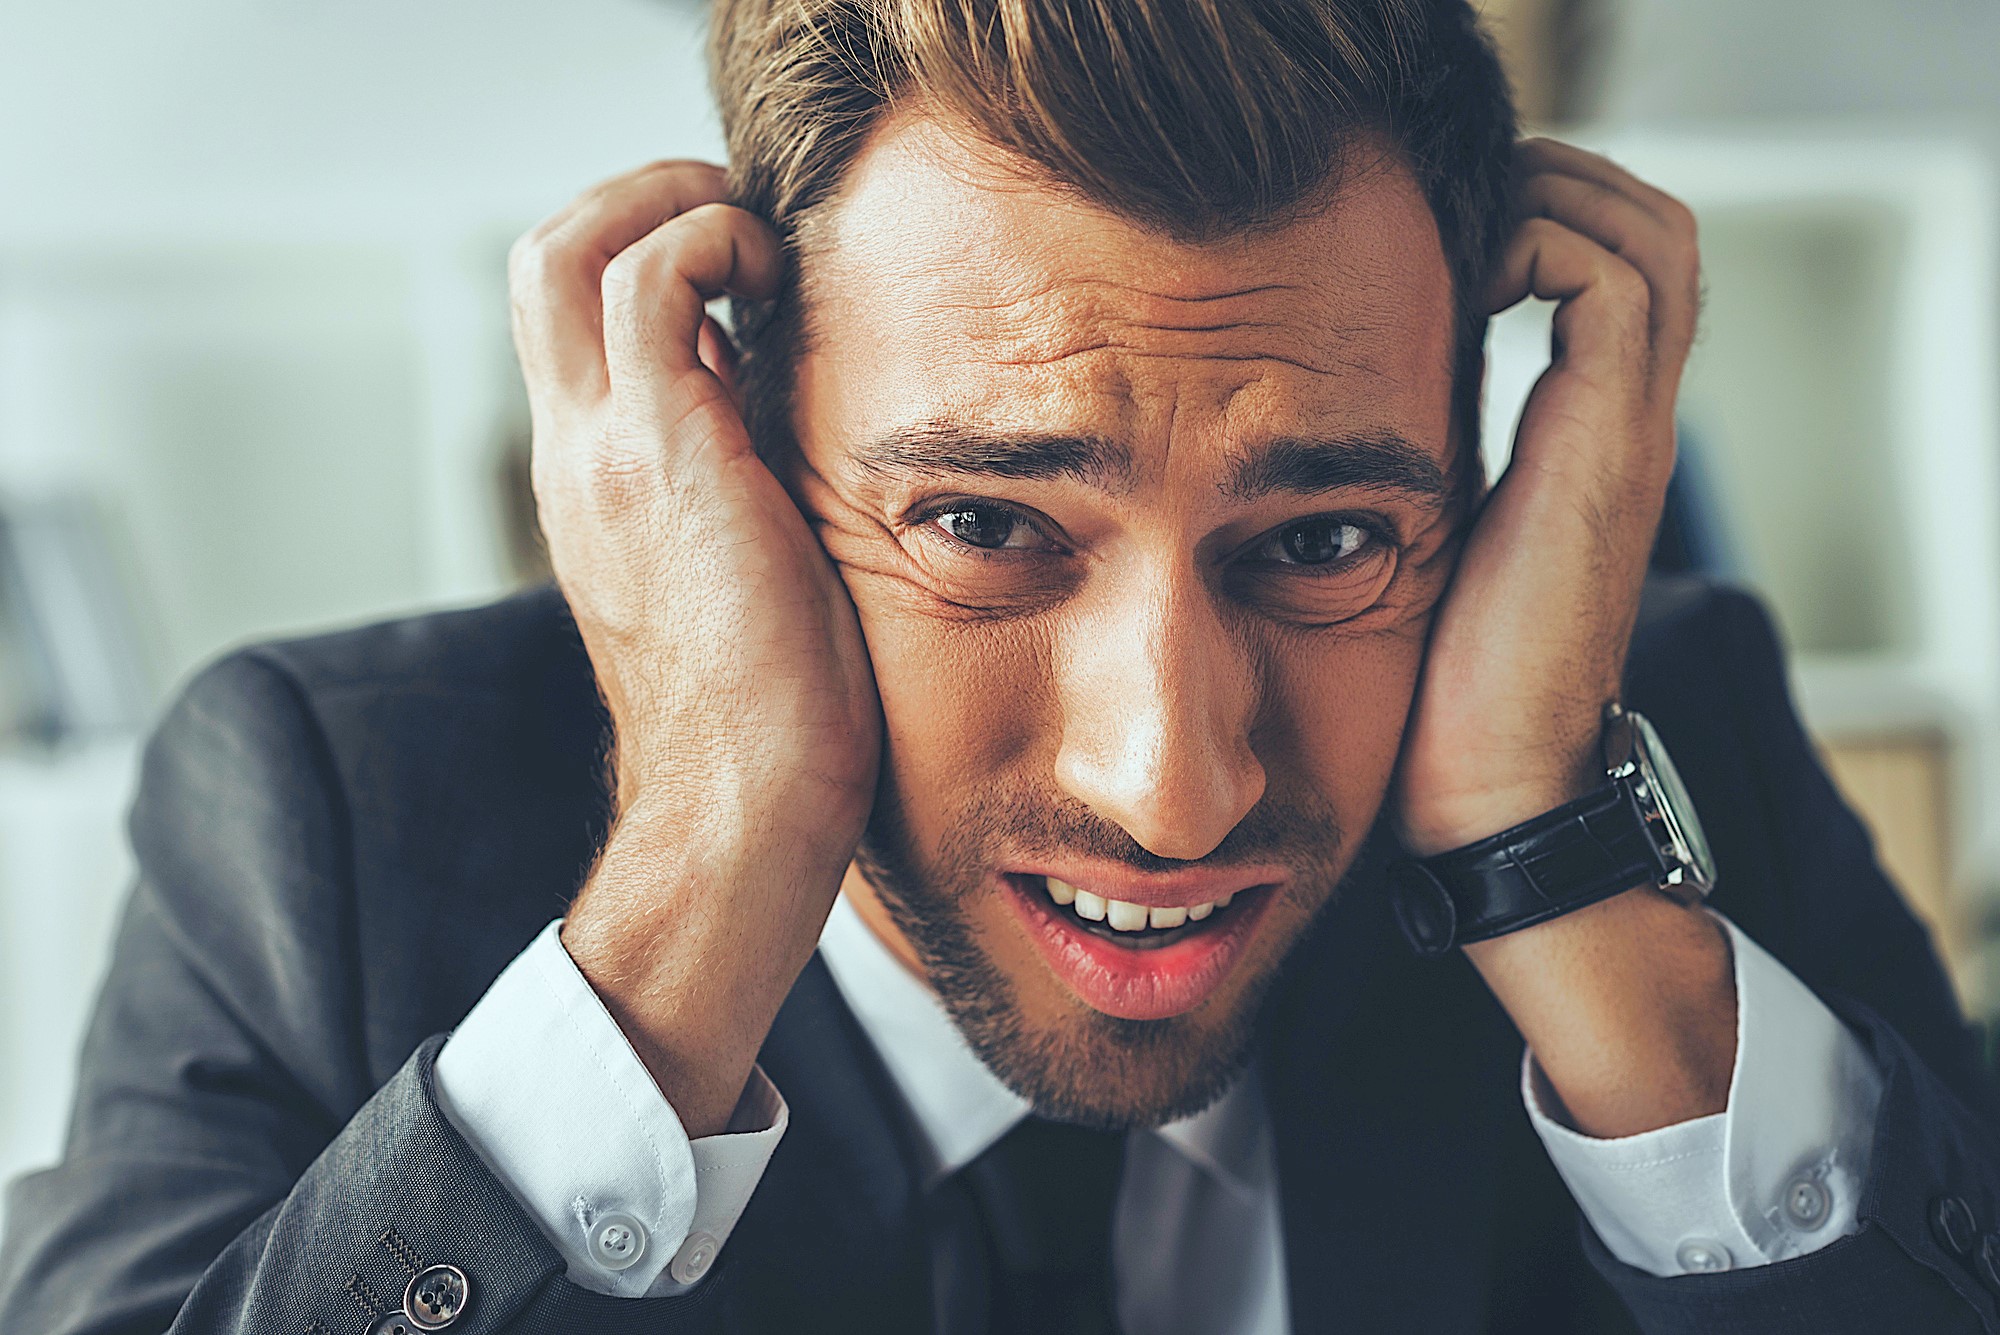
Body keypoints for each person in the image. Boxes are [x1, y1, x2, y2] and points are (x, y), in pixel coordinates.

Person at [2, 0, 1996, 1330]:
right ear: (745, 450)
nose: (1173, 783)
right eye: (983, 521)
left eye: (1321, 538)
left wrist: (1541, 868)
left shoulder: (1658, 747)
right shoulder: (321, 812)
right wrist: (712, 847)